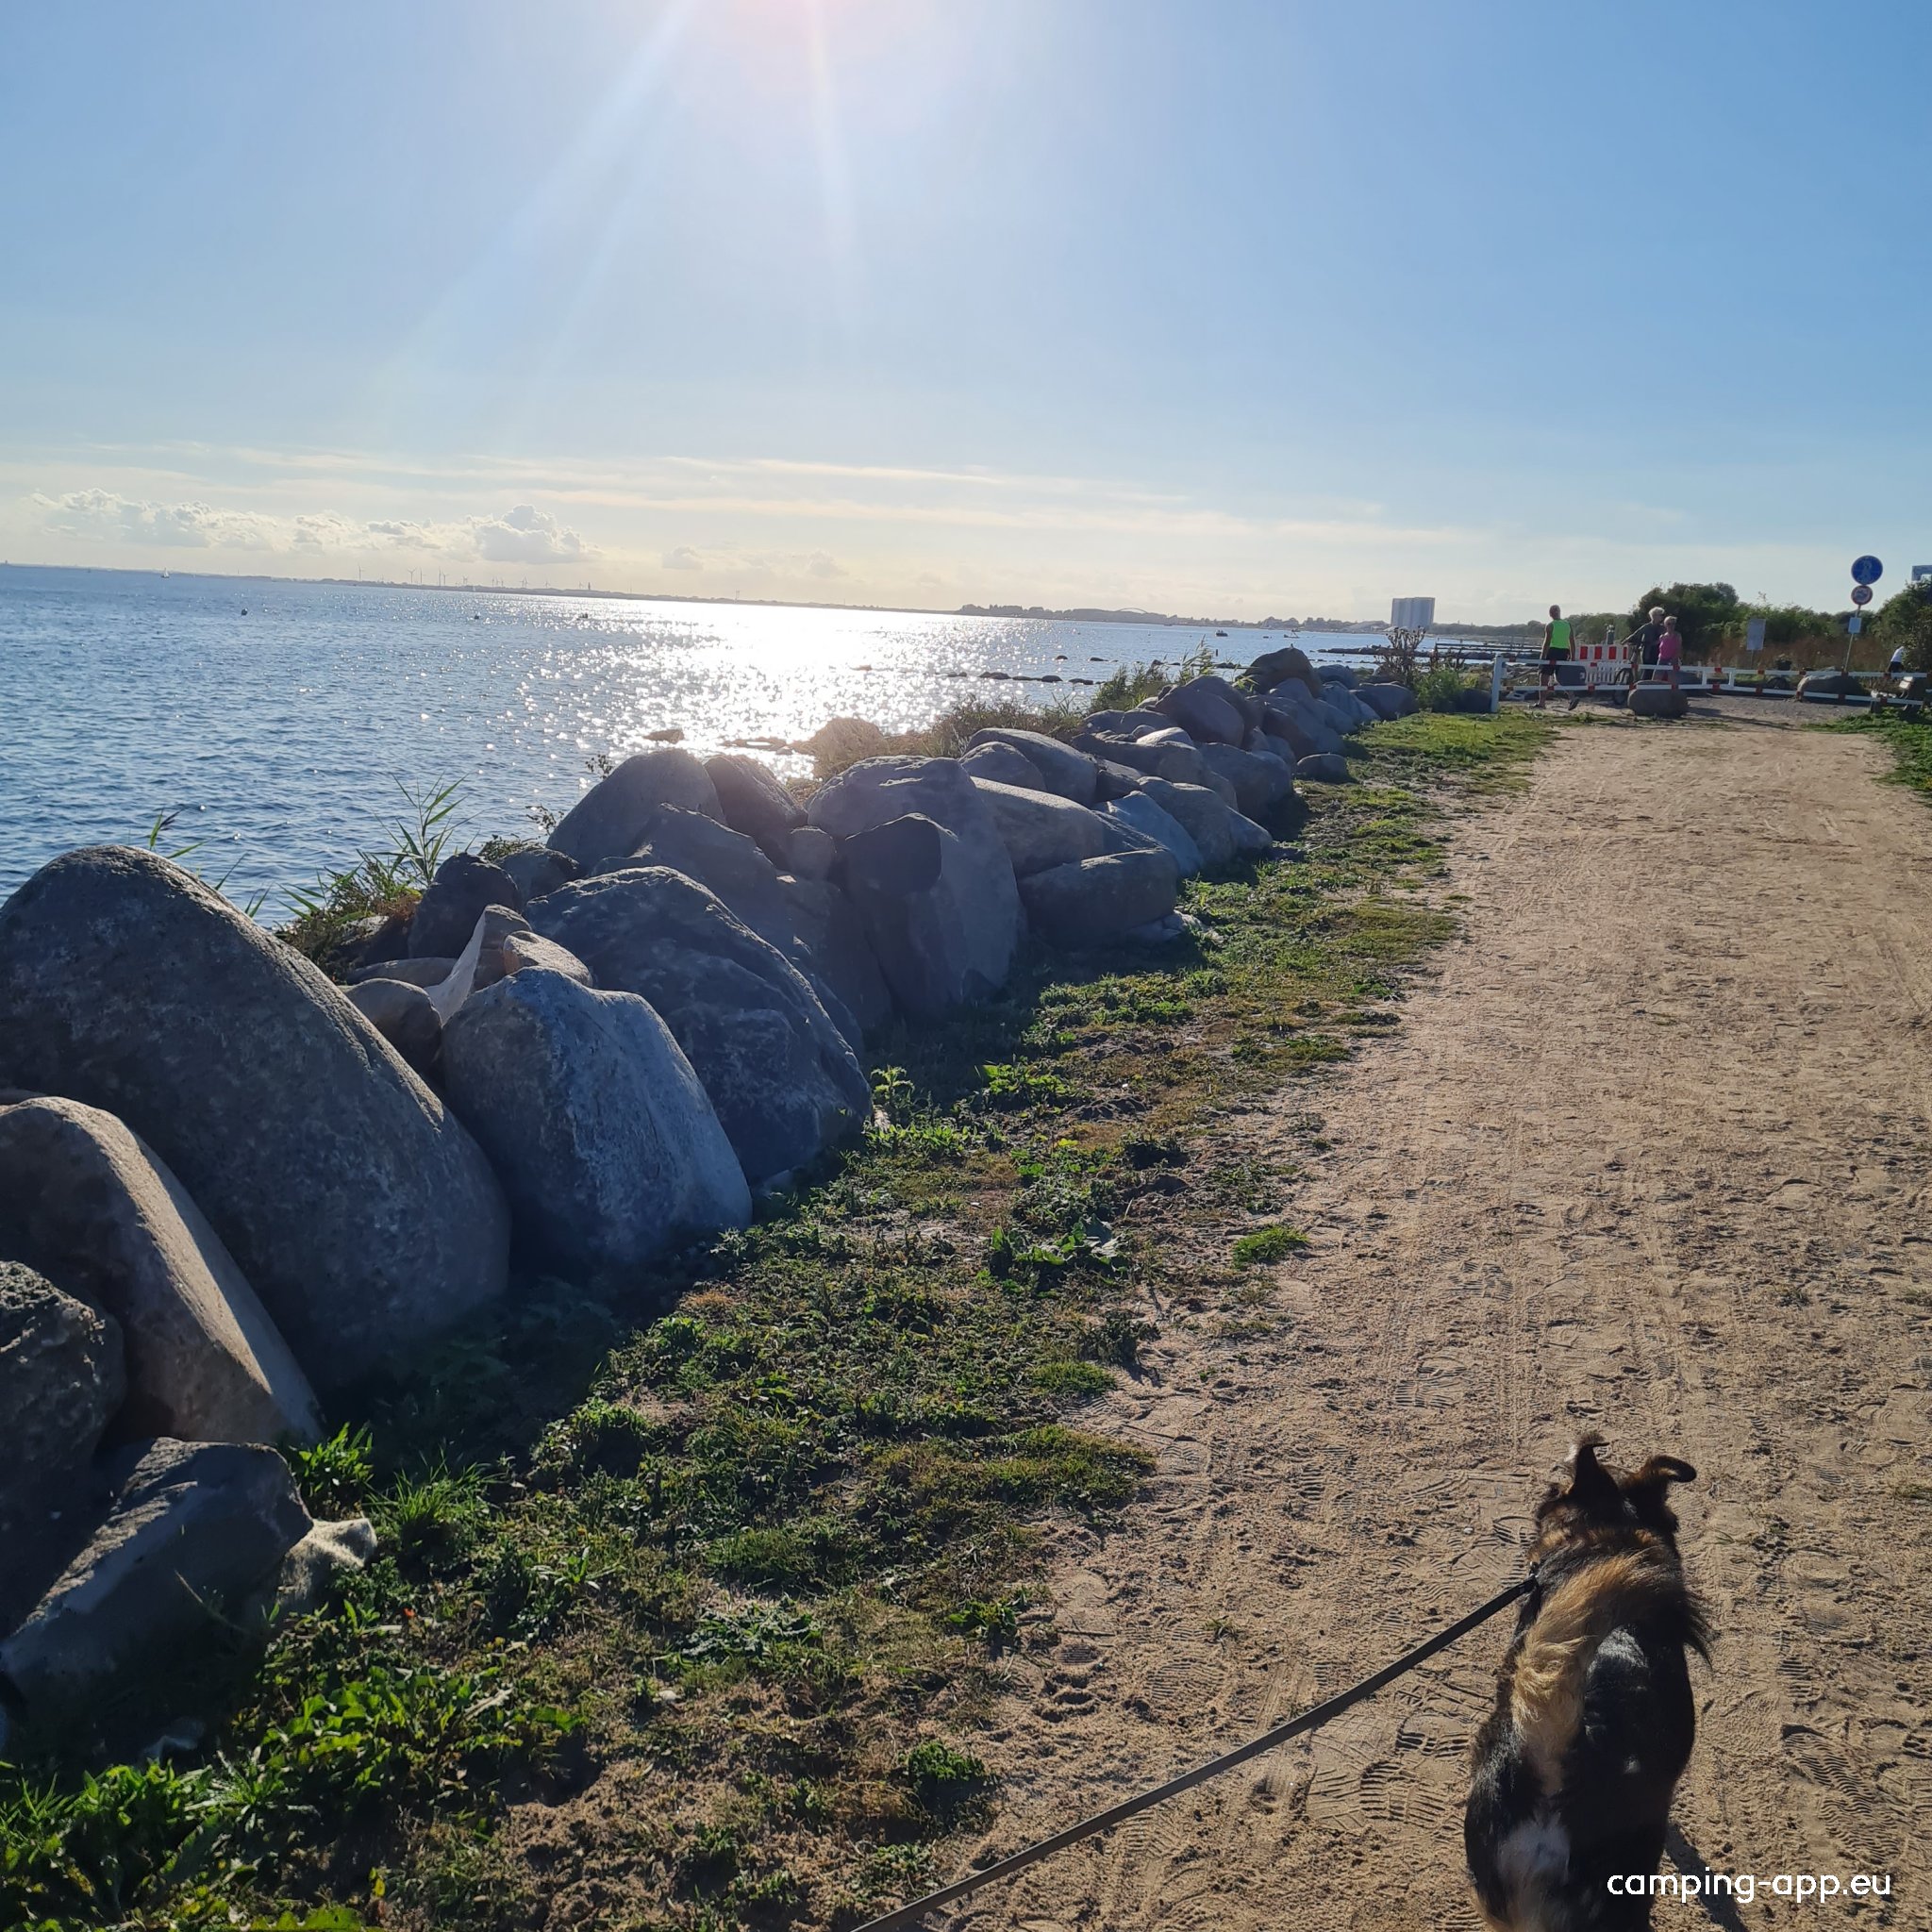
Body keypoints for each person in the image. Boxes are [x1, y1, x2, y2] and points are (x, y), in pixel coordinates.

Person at [1539, 604, 1572, 708]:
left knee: (1544, 677)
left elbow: (1547, 643)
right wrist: (1572, 655)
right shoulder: (1567, 624)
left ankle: (1542, 702)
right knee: (1562, 677)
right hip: (1564, 651)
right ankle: (1572, 696)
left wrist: (1542, 657)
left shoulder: (1550, 625)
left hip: (1553, 651)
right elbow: (1572, 641)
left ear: (1550, 614)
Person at [1657, 613, 1683, 691]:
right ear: (1665, 625)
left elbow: (1679, 649)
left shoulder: (1677, 635)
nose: (1671, 626)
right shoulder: (1662, 636)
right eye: (1669, 624)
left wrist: (1673, 659)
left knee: (1673, 681)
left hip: (1672, 659)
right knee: (1656, 679)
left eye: (1673, 623)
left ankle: (1675, 698)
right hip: (1662, 659)